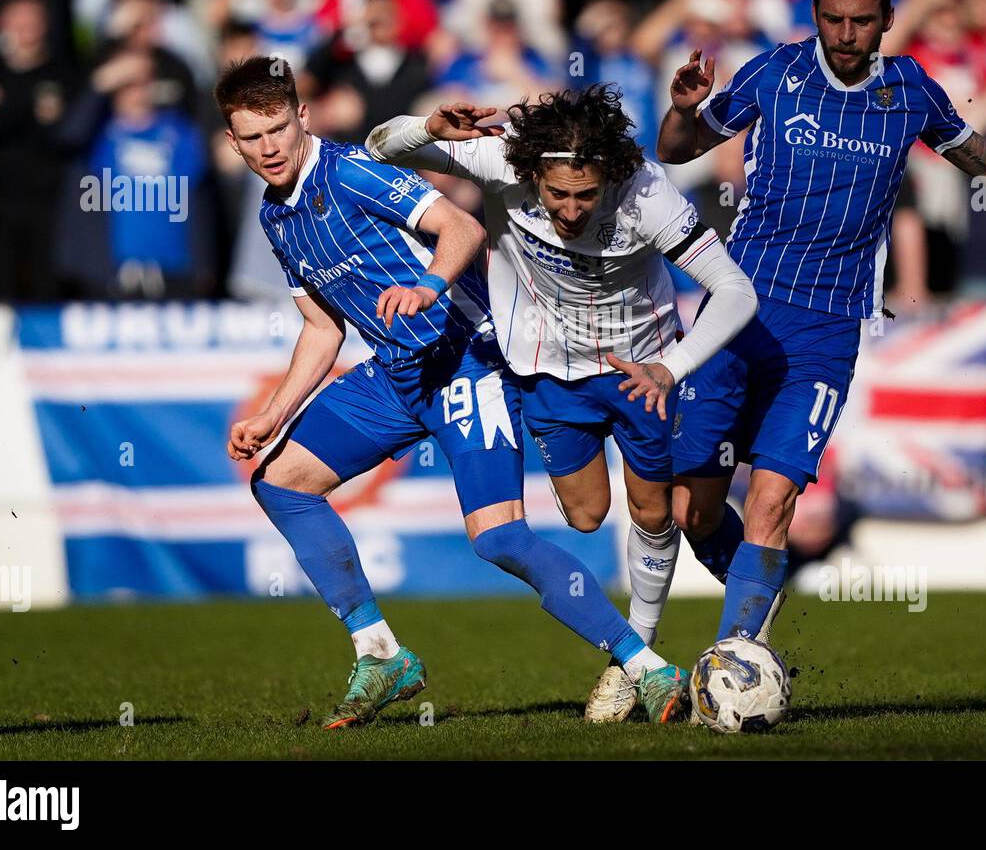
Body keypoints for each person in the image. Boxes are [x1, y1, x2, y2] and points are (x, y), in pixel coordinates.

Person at [656, 0, 986, 644]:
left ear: (886, 17)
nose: (845, 35)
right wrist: (684, 111)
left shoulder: (910, 89)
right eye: (831, 18)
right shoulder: (773, 74)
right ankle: (755, 598)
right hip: (736, 312)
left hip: (825, 333)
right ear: (814, 11)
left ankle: (737, 655)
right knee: (689, 510)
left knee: (773, 500)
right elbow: (675, 151)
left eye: (860, 20)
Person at [215, 56, 692, 728]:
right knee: (280, 480)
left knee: (497, 539)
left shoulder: (348, 171)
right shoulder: (277, 215)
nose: (268, 149)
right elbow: (321, 329)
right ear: (233, 142)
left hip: (465, 359)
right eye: (251, 137)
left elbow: (461, 228)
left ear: (303, 117)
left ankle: (647, 668)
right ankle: (379, 651)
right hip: (395, 374)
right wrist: (273, 412)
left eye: (276, 130)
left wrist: (429, 288)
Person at [365, 83, 757, 721]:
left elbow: (734, 290)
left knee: (655, 511)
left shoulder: (648, 192)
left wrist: (671, 366)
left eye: (585, 194)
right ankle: (710, 574)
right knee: (583, 516)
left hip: (641, 368)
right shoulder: (501, 158)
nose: (571, 210)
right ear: (532, 176)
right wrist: (426, 125)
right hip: (547, 370)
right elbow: (380, 148)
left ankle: (640, 662)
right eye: (557, 195)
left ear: (611, 177)